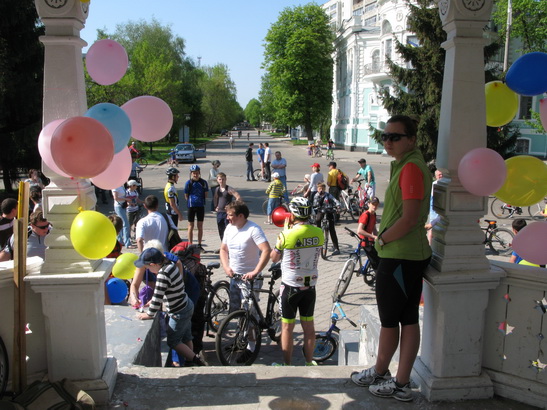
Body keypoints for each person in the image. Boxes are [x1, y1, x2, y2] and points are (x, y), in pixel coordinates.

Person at [350, 115, 432, 403]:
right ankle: (398, 380)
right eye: (384, 136)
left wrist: (381, 239)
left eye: (395, 137)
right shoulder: (408, 164)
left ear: (411, 139)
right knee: (408, 319)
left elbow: (409, 218)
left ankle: (386, 375)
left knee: (390, 320)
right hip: (409, 255)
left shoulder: (410, 167)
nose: (387, 141)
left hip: (399, 255)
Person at [270, 197, 323, 366]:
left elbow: (274, 258)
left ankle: (287, 365)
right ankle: (309, 362)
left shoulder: (286, 234)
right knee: (309, 327)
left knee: (287, 328)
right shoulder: (319, 232)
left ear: (292, 215)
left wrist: (285, 233)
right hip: (310, 286)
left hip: (291, 286)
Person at [135, 247, 206, 367]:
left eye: (147, 267)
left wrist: (148, 314)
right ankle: (190, 361)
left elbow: (157, 297)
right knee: (187, 336)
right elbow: (166, 290)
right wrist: (152, 301)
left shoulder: (162, 275)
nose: (147, 270)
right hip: (186, 304)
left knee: (173, 341)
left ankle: (196, 361)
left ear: (153, 265)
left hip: (178, 311)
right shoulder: (170, 266)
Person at [219, 201, 271, 362]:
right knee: (237, 312)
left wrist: (255, 271)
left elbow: (266, 250)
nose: (227, 218)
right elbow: (223, 249)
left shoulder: (253, 229)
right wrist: (226, 267)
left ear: (241, 216)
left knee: (250, 315)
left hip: (250, 278)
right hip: (235, 276)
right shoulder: (229, 228)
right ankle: (240, 340)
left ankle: (251, 347)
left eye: (230, 215)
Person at [184, 165, 209, 248]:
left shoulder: (203, 183)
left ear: (199, 173)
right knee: (190, 225)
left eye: (197, 173)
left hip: (200, 205)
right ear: (191, 173)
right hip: (191, 206)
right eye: (193, 173)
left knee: (200, 225)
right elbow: (186, 195)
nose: (195, 175)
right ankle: (190, 244)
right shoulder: (188, 183)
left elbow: (206, 194)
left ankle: (199, 244)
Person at [313, 183, 341, 256]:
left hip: (329, 211)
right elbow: (315, 203)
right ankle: (319, 232)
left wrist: (338, 206)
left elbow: (335, 200)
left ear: (325, 189)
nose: (321, 190)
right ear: (317, 189)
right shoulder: (316, 195)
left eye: (322, 188)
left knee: (332, 229)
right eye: (319, 188)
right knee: (318, 219)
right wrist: (317, 204)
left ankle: (336, 248)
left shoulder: (328, 195)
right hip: (321, 211)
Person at [213, 172, 241, 241]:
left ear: (226, 179)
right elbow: (215, 198)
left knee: (228, 229)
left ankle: (229, 244)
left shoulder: (229, 189)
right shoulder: (217, 189)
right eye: (220, 179)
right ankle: (223, 244)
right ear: (217, 180)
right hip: (219, 212)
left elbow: (238, 197)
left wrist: (232, 206)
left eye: (223, 179)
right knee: (221, 230)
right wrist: (215, 206)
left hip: (227, 213)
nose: (221, 181)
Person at [424, 169, 443, 243]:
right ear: (436, 176)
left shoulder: (446, 185)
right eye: (439, 175)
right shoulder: (433, 185)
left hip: (440, 207)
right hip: (434, 210)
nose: (440, 176)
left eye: (441, 174)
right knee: (431, 232)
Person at [112, 184, 132, 249]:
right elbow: (115, 198)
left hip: (122, 205)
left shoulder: (121, 185)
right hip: (118, 206)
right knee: (126, 224)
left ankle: (120, 241)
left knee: (121, 223)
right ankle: (127, 243)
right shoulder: (115, 187)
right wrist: (126, 199)